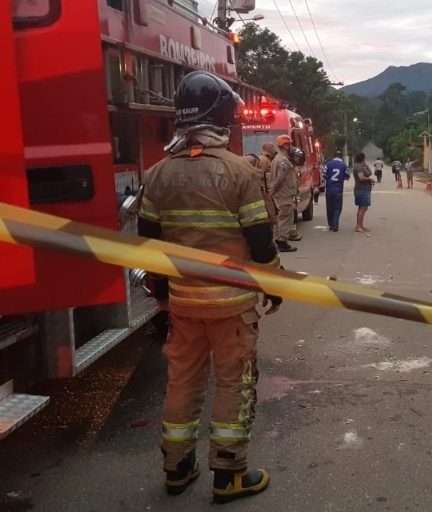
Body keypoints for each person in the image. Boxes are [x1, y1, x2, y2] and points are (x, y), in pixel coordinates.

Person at [137, 70, 281, 504]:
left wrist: (162, 292)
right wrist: (273, 285)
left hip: (184, 304)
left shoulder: (158, 174)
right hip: (232, 307)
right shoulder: (240, 171)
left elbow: (148, 244)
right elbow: (260, 239)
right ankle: (229, 473)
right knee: (234, 384)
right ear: (220, 116)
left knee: (182, 382)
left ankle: (177, 468)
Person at [270, 135, 298, 252]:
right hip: (284, 195)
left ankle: (277, 240)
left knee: (279, 218)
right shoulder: (283, 161)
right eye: (290, 144)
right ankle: (282, 242)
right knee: (285, 218)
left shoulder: (276, 158)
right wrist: (273, 191)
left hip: (280, 194)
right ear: (286, 145)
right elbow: (280, 179)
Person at [323, 150, 350, 231]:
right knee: (337, 208)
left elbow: (323, 175)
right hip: (338, 190)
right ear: (341, 156)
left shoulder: (328, 164)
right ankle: (335, 225)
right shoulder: (344, 166)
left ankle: (331, 224)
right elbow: (347, 177)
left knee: (329, 208)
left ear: (334, 156)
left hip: (329, 190)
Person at [352, 152, 377, 233]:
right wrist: (369, 179)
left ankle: (360, 225)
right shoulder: (358, 167)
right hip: (362, 190)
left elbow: (369, 173)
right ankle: (358, 226)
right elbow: (361, 178)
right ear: (363, 158)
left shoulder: (360, 166)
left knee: (361, 208)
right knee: (363, 208)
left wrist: (367, 166)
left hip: (364, 189)